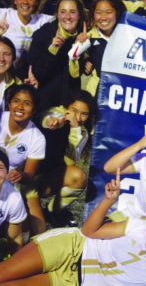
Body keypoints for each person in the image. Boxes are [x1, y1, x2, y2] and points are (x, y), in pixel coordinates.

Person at [0, 171, 146, 286]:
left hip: (74, 281)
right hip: (72, 247)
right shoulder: (140, 227)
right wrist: (108, 201)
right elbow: (89, 232)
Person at [0, 84, 45, 238]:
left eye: (27, 103)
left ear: (35, 109)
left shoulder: (37, 138)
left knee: (19, 205)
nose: (20, 107)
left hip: (9, 181)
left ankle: (15, 246)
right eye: (16, 101)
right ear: (9, 104)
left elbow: (29, 177)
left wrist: (21, 175)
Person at [33, 90, 96, 233]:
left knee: (78, 176)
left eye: (84, 114)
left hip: (44, 181)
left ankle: (53, 211)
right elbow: (48, 118)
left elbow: (70, 163)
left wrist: (74, 129)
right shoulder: (56, 111)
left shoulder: (82, 131)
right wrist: (55, 121)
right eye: (74, 110)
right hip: (25, 176)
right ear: (67, 107)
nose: (78, 117)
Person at [25, 0, 87, 112]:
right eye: (63, 12)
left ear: (79, 15)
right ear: (57, 14)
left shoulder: (84, 38)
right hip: (46, 108)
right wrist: (52, 49)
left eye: (72, 12)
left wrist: (83, 52)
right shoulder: (44, 34)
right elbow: (35, 73)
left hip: (73, 108)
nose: (68, 17)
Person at [77, 0, 126, 96]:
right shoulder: (87, 39)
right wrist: (78, 49)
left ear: (117, 12)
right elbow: (74, 70)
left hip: (124, 95)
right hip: (98, 97)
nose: (103, 17)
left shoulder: (127, 36)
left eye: (108, 12)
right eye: (99, 12)